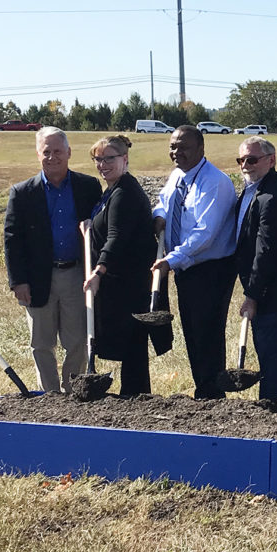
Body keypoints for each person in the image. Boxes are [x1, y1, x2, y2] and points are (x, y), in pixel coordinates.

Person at [4, 126, 103, 393]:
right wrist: (18, 281)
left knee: (78, 340)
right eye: (46, 152)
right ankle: (50, 395)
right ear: (38, 155)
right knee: (41, 342)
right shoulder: (22, 193)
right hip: (37, 278)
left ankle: (73, 391)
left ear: (69, 152)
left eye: (58, 151)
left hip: (76, 275)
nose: (52, 157)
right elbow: (12, 239)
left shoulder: (88, 186)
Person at [152, 125, 238, 400]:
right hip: (187, 268)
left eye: (184, 147)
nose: (177, 152)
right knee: (191, 329)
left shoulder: (215, 182)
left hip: (211, 269)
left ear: (202, 149)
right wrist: (159, 215)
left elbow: (205, 233)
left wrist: (171, 260)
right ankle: (203, 388)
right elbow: (164, 202)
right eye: (173, 147)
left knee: (207, 331)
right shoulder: (178, 175)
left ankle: (213, 393)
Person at [83, 135, 156, 397]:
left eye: (109, 158)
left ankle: (135, 398)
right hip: (120, 281)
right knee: (129, 348)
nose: (103, 164)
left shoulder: (125, 192)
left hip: (128, 283)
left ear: (125, 159)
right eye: (98, 159)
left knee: (133, 346)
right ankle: (132, 396)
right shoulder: (113, 189)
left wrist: (98, 271)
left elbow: (117, 237)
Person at [235, 137, 277, 401]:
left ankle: (276, 415)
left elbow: (266, 251)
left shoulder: (274, 195)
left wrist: (252, 295)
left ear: (271, 160)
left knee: (275, 362)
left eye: (251, 160)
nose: (245, 165)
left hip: (276, 294)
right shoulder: (255, 189)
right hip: (268, 291)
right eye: (241, 160)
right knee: (276, 360)